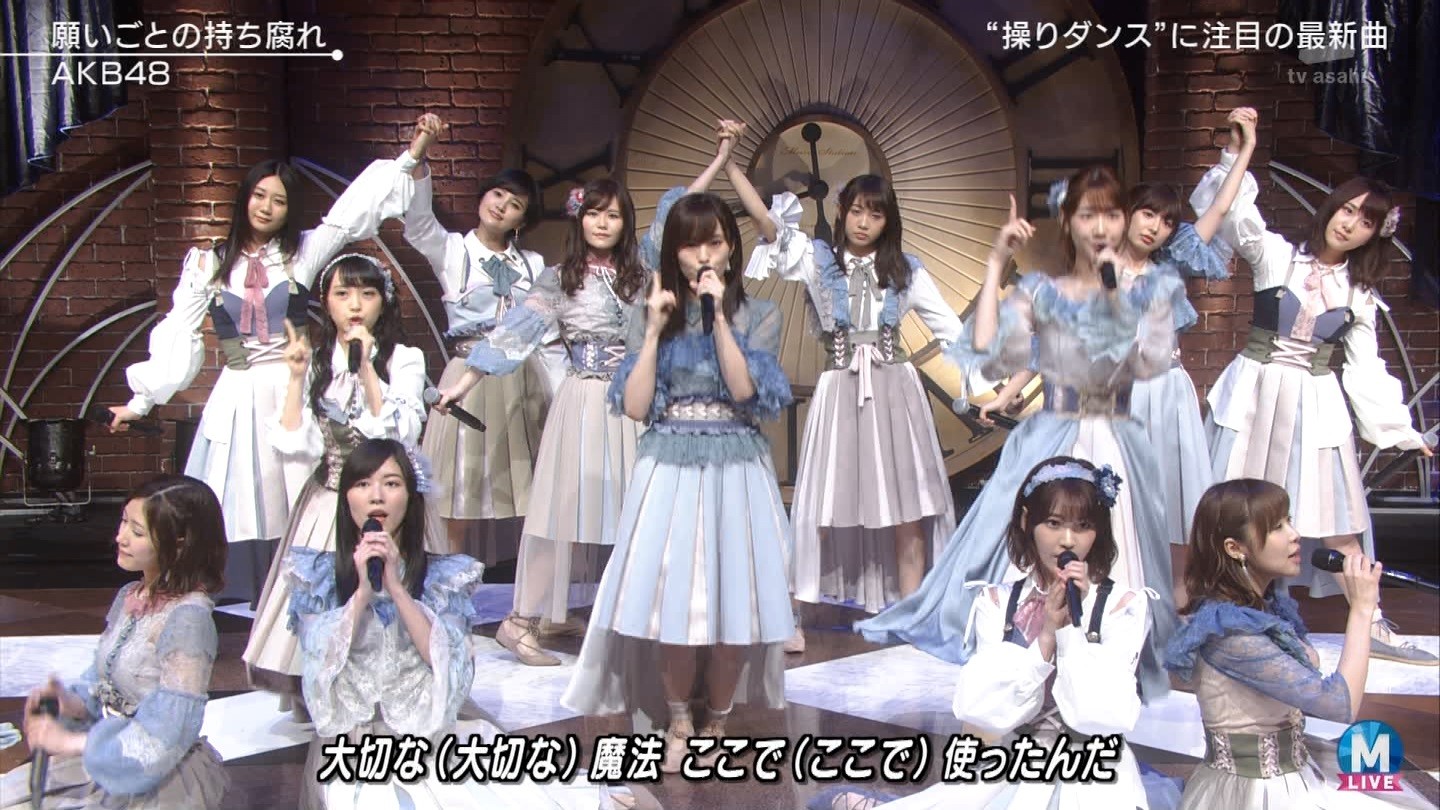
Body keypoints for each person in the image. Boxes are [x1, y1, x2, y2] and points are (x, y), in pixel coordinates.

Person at [857, 167, 1180, 699]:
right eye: (1088, 215)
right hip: (1054, 431)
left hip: (1119, 436)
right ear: (1068, 222)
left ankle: (1111, 642)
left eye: (1112, 214)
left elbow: (1150, 362)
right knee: (1022, 539)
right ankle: (1030, 635)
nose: (1101, 227)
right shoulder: (1043, 291)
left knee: (1119, 544)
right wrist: (995, 261)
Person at [107, 135, 425, 606]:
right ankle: (226, 591)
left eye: (279, 200)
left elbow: (349, 213)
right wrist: (142, 400)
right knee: (235, 493)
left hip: (292, 383)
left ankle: (302, 590)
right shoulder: (210, 262)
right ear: (245, 198)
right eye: (260, 195)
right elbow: (179, 328)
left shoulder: (301, 254)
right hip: (238, 391)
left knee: (294, 491)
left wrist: (411, 156)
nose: (266, 207)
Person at [561, 193, 795, 775]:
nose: (704, 255)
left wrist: (719, 318)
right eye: (691, 244)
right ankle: (679, 718)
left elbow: (745, 392)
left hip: (736, 469)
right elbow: (637, 406)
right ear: (673, 252)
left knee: (733, 602)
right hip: (667, 466)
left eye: (715, 241)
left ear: (732, 248)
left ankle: (718, 718)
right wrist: (651, 331)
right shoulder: (651, 312)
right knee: (674, 602)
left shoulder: (760, 314)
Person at [1191, 118, 1437, 664]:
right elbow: (1232, 214)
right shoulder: (1277, 255)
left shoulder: (1360, 296)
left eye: (1366, 220)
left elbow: (1367, 370)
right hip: (1253, 397)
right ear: (1331, 209)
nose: (1350, 224)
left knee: (1335, 519)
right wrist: (1239, 153)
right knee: (1231, 511)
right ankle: (1218, 618)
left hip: (1314, 405)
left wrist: (1402, 432)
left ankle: (1370, 619)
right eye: (1347, 210)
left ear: (1376, 234)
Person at [287, 438, 637, 809]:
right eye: (363, 484)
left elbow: (451, 665)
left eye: (391, 483)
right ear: (346, 497)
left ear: (411, 496)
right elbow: (319, 667)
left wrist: (398, 590)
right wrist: (361, 593)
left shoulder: (443, 577)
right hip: (354, 745)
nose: (377, 496)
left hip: (430, 734)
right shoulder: (317, 576)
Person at [814, 457, 1154, 810]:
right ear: (1027, 521)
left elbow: (1104, 715)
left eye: (1083, 526)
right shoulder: (998, 602)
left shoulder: (1123, 606)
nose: (1067, 541)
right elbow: (982, 710)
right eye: (1053, 523)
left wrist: (1073, 631)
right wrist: (1046, 639)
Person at [734, 122, 962, 634]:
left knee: (906, 503)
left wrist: (991, 386)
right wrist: (729, 163)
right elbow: (768, 226)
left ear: (888, 221)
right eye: (857, 210)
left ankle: (909, 614)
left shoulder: (906, 270)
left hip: (895, 391)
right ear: (841, 211)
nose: (863, 222)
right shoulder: (820, 262)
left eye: (875, 214)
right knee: (824, 501)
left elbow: (953, 331)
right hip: (840, 389)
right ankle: (793, 614)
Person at [434, 177, 648, 666]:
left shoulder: (642, 276)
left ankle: (625, 622)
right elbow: (515, 334)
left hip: (633, 403)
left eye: (613, 215)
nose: (602, 223)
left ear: (625, 223)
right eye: (593, 213)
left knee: (635, 512)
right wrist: (464, 384)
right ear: (580, 218)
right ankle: (522, 620)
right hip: (583, 400)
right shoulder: (559, 278)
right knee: (560, 513)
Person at [1166, 479, 1429, 808]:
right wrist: (1362, 610)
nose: (1294, 535)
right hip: (1254, 792)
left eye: (1289, 520)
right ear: (1234, 548)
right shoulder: (1231, 633)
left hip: (1295, 774)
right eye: (1277, 527)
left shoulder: (1265, 607)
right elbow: (1339, 705)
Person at [242, 253, 436, 694]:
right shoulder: (315, 362)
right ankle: (321, 690)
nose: (355, 305)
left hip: (388, 504)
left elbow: (400, 433)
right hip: (329, 502)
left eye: (367, 294)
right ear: (326, 302)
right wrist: (296, 378)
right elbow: (295, 442)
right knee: (325, 596)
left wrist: (365, 367)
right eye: (343, 293)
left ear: (383, 302)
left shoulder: (404, 359)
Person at [1, 476, 229, 809]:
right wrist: (69, 702)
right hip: (107, 755)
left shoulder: (188, 620)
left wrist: (73, 742)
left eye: (137, 532)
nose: (120, 537)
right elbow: (104, 680)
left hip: (152, 774)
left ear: (179, 543)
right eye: (123, 522)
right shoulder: (130, 595)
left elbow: (168, 734)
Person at [404, 114, 557, 558]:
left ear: (522, 220)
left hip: (522, 381)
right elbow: (419, 223)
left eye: (515, 204)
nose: (502, 205)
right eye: (498, 194)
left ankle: (529, 586)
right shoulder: (453, 250)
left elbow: (544, 333)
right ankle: (450, 580)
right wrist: (420, 154)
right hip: (467, 377)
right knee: (459, 490)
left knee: (529, 490)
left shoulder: (532, 263)